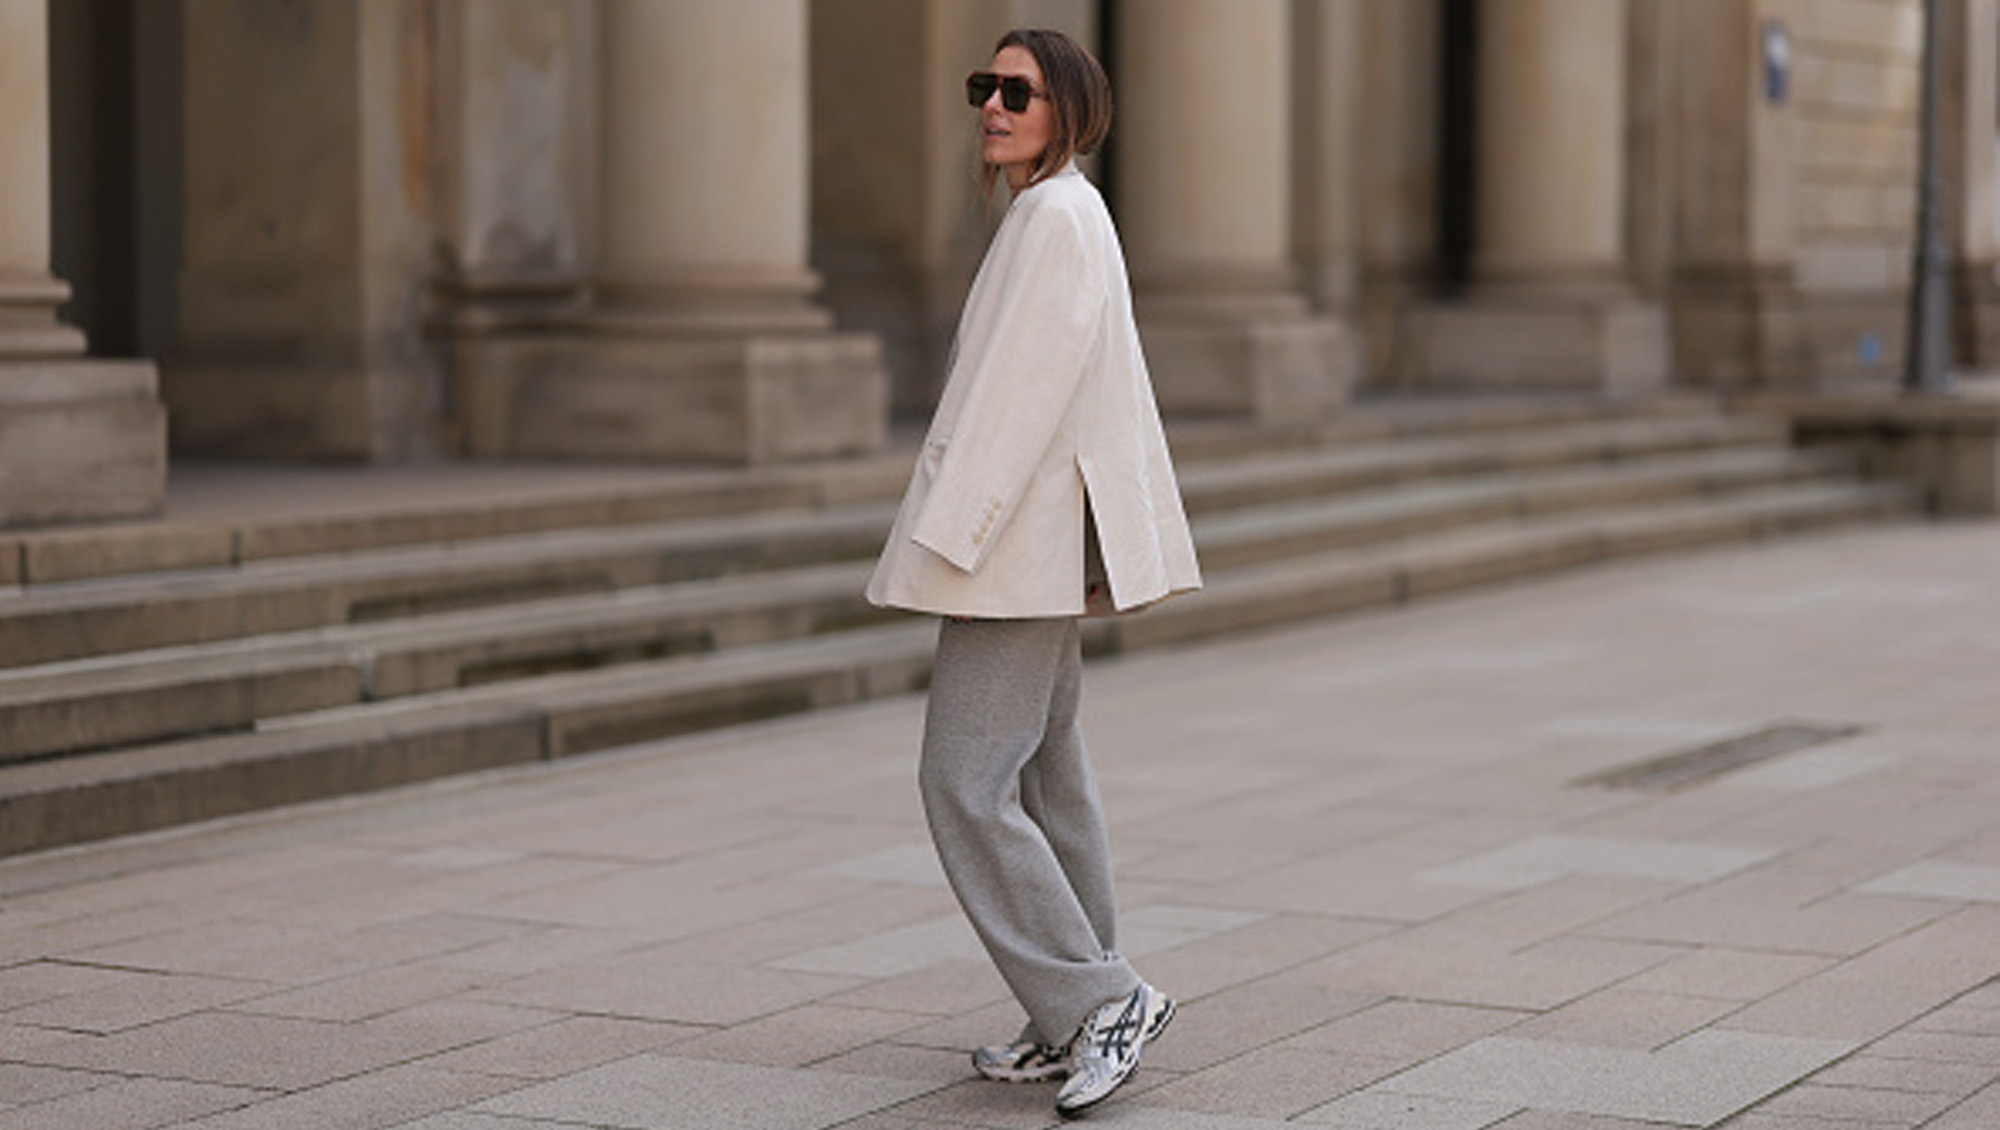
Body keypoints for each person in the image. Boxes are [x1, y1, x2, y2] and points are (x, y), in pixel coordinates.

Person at [865, 27, 1202, 1120]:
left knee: (961, 780)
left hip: (1012, 548)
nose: (993, 106)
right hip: (1035, 540)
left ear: (1069, 106)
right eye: (984, 87)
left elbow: (1016, 402)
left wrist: (947, 540)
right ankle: (1073, 1005)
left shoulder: (1054, 216)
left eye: (1017, 90)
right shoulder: (1057, 212)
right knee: (1049, 775)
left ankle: (1100, 997)